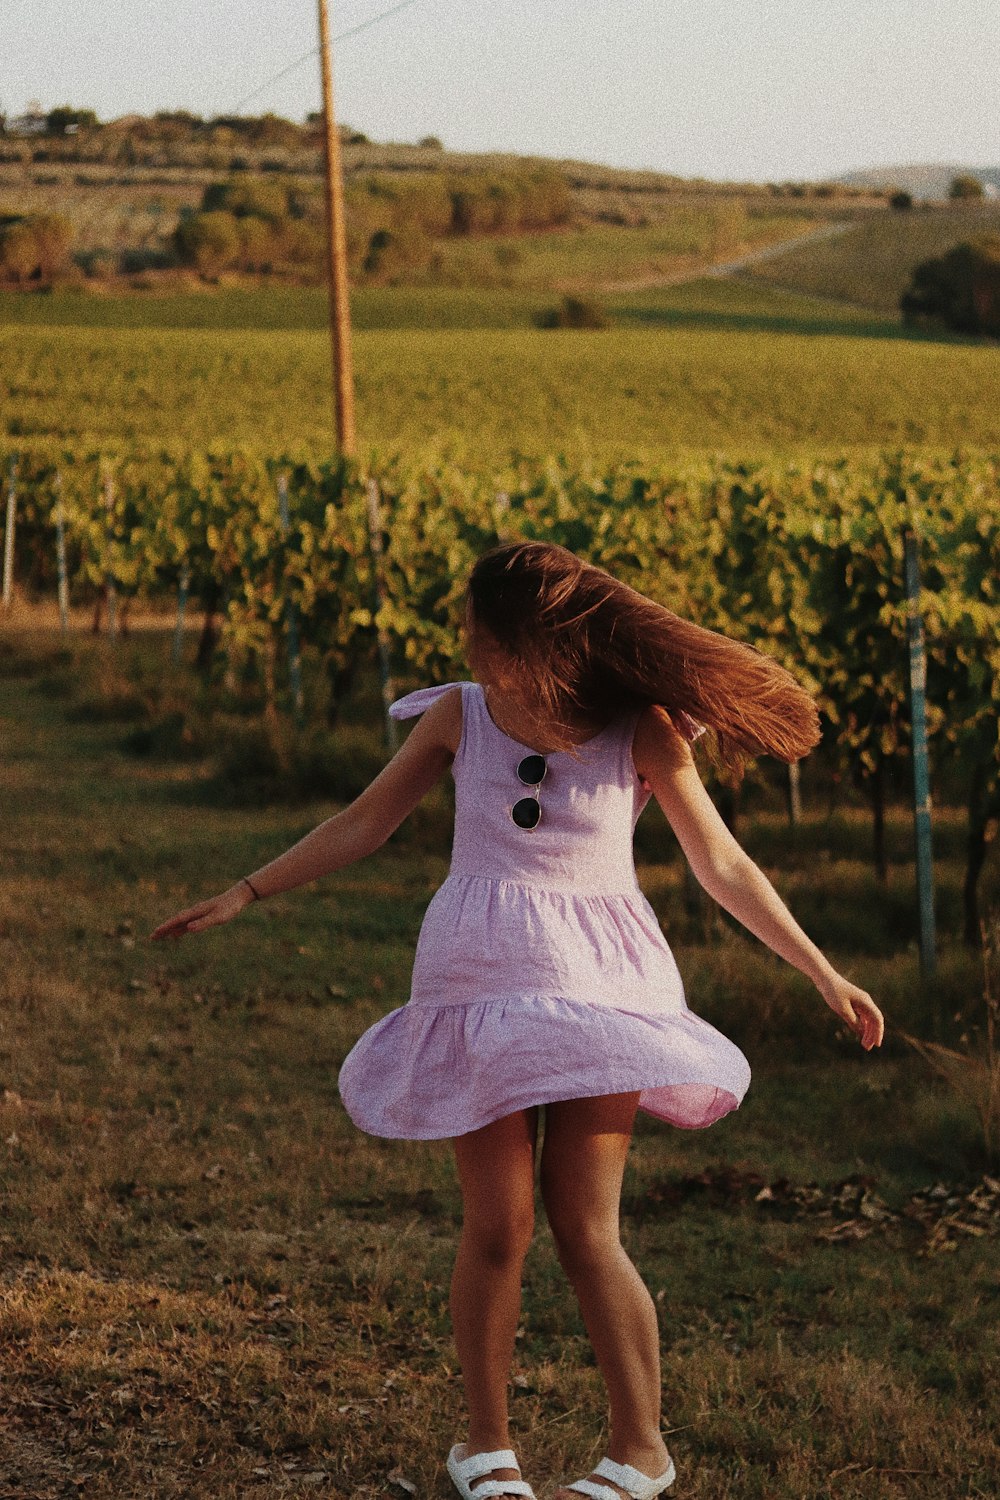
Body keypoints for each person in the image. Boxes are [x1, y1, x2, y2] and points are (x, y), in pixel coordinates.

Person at [152, 540, 884, 1500]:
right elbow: (366, 821)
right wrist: (248, 890)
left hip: (599, 991)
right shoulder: (461, 714)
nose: (464, 640)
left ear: (526, 641)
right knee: (497, 1225)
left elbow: (722, 863)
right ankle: (486, 1449)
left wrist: (822, 971)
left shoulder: (643, 727)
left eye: (478, 629)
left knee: (587, 1227)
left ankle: (641, 1450)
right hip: (474, 979)